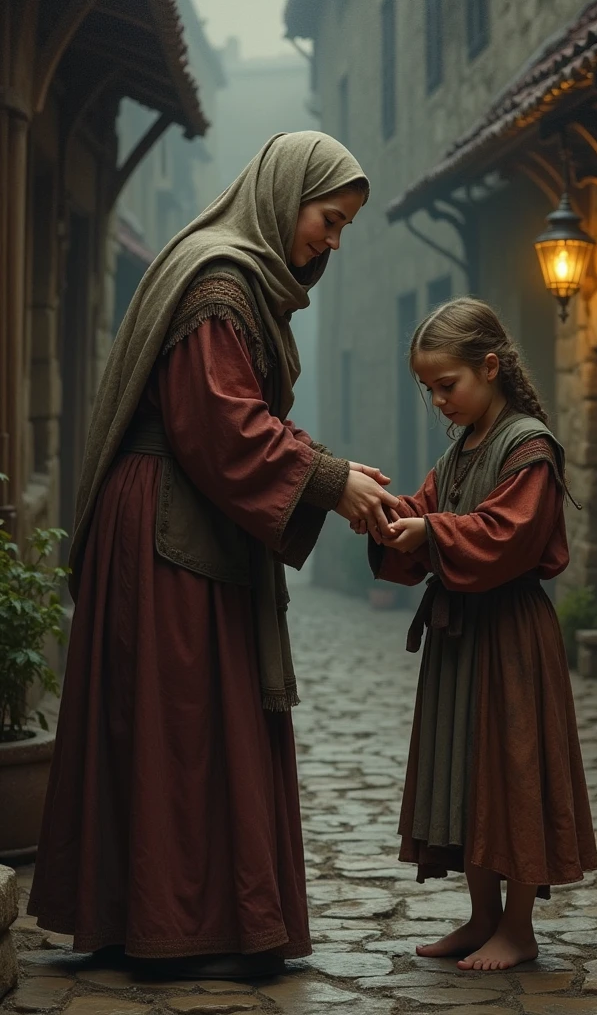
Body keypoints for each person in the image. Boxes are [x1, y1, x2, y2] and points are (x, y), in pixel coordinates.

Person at [28, 132, 399, 979]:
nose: (332, 242)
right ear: (284, 195)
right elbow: (222, 425)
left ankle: (185, 916)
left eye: (343, 229)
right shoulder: (222, 282)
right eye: (329, 219)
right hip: (169, 531)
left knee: (190, 719)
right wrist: (329, 482)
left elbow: (230, 414)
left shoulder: (232, 276)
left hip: (185, 517)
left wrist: (326, 473)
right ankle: (177, 921)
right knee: (182, 720)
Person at [363, 297, 597, 972]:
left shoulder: (527, 445)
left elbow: (508, 534)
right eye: (427, 388)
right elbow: (431, 509)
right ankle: (481, 917)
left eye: (448, 385)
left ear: (489, 367)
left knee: (513, 773)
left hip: (511, 639)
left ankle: (518, 929)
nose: (438, 400)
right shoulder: (461, 449)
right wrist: (389, 516)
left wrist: (429, 531)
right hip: (461, 639)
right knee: (466, 774)